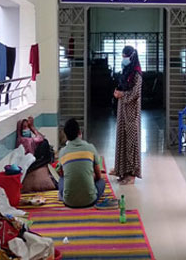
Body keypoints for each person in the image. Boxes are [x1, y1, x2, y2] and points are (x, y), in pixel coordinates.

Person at [110, 46, 143, 185]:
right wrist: (117, 92)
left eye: (125, 56)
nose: (123, 59)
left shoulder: (137, 74)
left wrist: (122, 94)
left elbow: (136, 93)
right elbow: (122, 87)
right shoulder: (126, 72)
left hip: (132, 112)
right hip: (122, 111)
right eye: (122, 56)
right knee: (122, 139)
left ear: (132, 56)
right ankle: (122, 170)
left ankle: (132, 174)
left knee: (131, 142)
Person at [57, 118, 106, 208]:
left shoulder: (62, 152)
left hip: (69, 202)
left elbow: (63, 174)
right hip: (90, 200)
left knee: (61, 180)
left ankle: (62, 195)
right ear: (79, 132)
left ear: (66, 136)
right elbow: (99, 176)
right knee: (102, 182)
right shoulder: (90, 148)